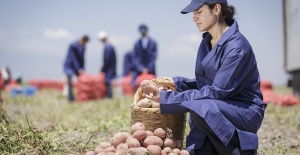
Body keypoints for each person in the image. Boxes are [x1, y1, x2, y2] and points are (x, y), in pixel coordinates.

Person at [140, 0, 266, 155]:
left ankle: (241, 149)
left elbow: (217, 91)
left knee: (200, 106)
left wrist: (167, 98)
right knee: (200, 109)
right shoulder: (206, 42)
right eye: (193, 13)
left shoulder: (237, 47)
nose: (194, 17)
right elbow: (205, 84)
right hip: (220, 105)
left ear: (217, 9)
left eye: (199, 12)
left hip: (244, 110)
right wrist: (179, 83)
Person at [63, 35, 89, 102]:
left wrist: (82, 68)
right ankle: (70, 98)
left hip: (78, 67)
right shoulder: (73, 45)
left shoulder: (83, 47)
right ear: (82, 40)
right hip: (70, 65)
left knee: (81, 81)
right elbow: (74, 58)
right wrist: (78, 68)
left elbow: (82, 58)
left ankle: (80, 96)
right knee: (69, 82)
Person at [131, 24, 158, 88]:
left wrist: (148, 68)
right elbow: (135, 58)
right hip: (139, 70)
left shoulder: (153, 42)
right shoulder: (137, 43)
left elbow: (154, 57)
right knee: (136, 85)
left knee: (153, 85)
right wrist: (141, 68)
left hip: (150, 70)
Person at [98, 31, 117, 99]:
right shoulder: (110, 46)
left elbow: (107, 59)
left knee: (108, 81)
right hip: (111, 67)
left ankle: (109, 97)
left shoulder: (108, 47)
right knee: (108, 82)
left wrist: (103, 68)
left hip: (109, 68)